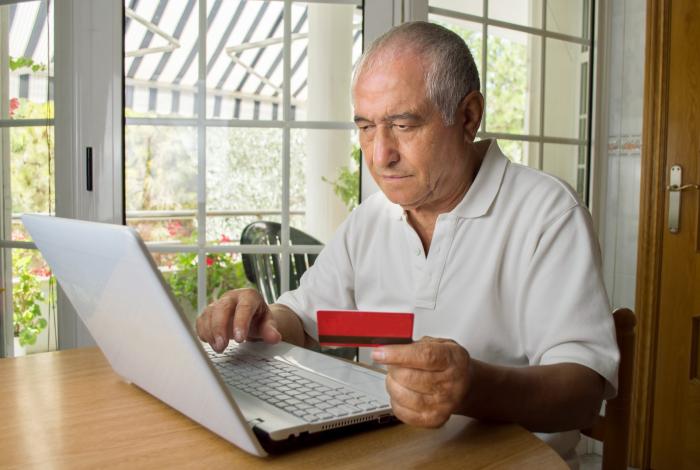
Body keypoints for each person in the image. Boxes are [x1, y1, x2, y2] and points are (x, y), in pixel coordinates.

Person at [196, 21, 618, 466]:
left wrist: (471, 385)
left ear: (469, 116)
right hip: (388, 455)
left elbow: (582, 392)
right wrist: (264, 317)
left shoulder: (546, 213)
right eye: (366, 127)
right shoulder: (371, 220)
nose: (380, 156)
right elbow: (309, 319)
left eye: (402, 124)